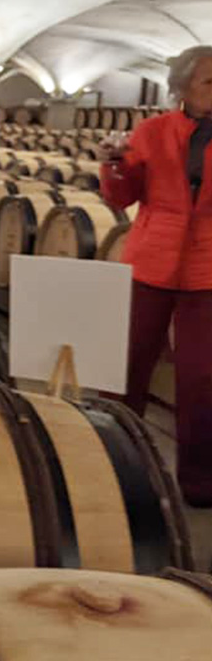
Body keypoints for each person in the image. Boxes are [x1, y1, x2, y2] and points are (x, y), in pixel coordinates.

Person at [101, 44, 212, 508]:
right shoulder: (153, 130)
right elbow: (122, 197)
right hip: (150, 261)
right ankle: (114, 462)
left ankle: (199, 480)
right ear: (183, 86)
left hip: (207, 270)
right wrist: (114, 166)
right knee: (125, 367)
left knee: (202, 377)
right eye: (210, 81)